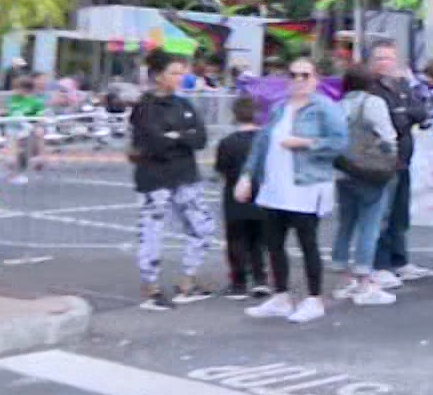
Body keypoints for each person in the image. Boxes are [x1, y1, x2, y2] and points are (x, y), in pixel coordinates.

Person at [237, 58, 345, 324]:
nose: (298, 80)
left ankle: (314, 299)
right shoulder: (279, 107)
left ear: (315, 79)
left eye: (305, 75)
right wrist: (247, 176)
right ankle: (281, 296)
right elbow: (261, 144)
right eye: (293, 75)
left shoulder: (325, 108)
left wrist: (306, 143)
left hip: (306, 185)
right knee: (274, 243)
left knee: (308, 242)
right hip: (274, 186)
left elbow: (340, 143)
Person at [129, 51, 216, 310]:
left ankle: (188, 278)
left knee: (202, 226)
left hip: (186, 176)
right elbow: (154, 142)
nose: (180, 77)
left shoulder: (184, 105)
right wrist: (180, 137)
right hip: (154, 178)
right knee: (152, 231)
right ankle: (151, 286)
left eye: (182, 72)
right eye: (174, 72)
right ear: (158, 76)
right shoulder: (145, 107)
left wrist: (175, 136)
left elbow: (200, 138)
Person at [331, 66, 398, 307]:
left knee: (345, 223)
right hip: (370, 170)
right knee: (370, 224)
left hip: (344, 170)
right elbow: (388, 136)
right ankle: (364, 279)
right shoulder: (373, 103)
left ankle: (343, 277)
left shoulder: (338, 106)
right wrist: (390, 157)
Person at [367, 41, 430, 287]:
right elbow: (392, 121)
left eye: (389, 58)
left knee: (399, 214)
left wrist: (404, 114)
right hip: (382, 160)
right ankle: (380, 264)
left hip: (404, 158)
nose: (385, 63)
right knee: (382, 214)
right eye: (380, 58)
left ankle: (399, 260)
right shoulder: (371, 89)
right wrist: (403, 116)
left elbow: (420, 113)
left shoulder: (402, 86)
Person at [213, 96, 269, 299]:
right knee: (259, 240)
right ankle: (260, 279)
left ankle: (239, 282)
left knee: (236, 239)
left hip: (235, 194)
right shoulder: (266, 140)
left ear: (235, 115)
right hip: (262, 195)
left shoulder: (227, 142)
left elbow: (221, 169)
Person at [5, 74, 47, 183]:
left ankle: (38, 159)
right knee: (13, 145)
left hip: (28, 129)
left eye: (17, 88)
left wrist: (35, 126)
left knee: (37, 134)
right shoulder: (13, 100)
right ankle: (14, 167)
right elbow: (8, 113)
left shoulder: (36, 102)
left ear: (24, 89)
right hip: (13, 129)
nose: (15, 91)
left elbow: (40, 118)